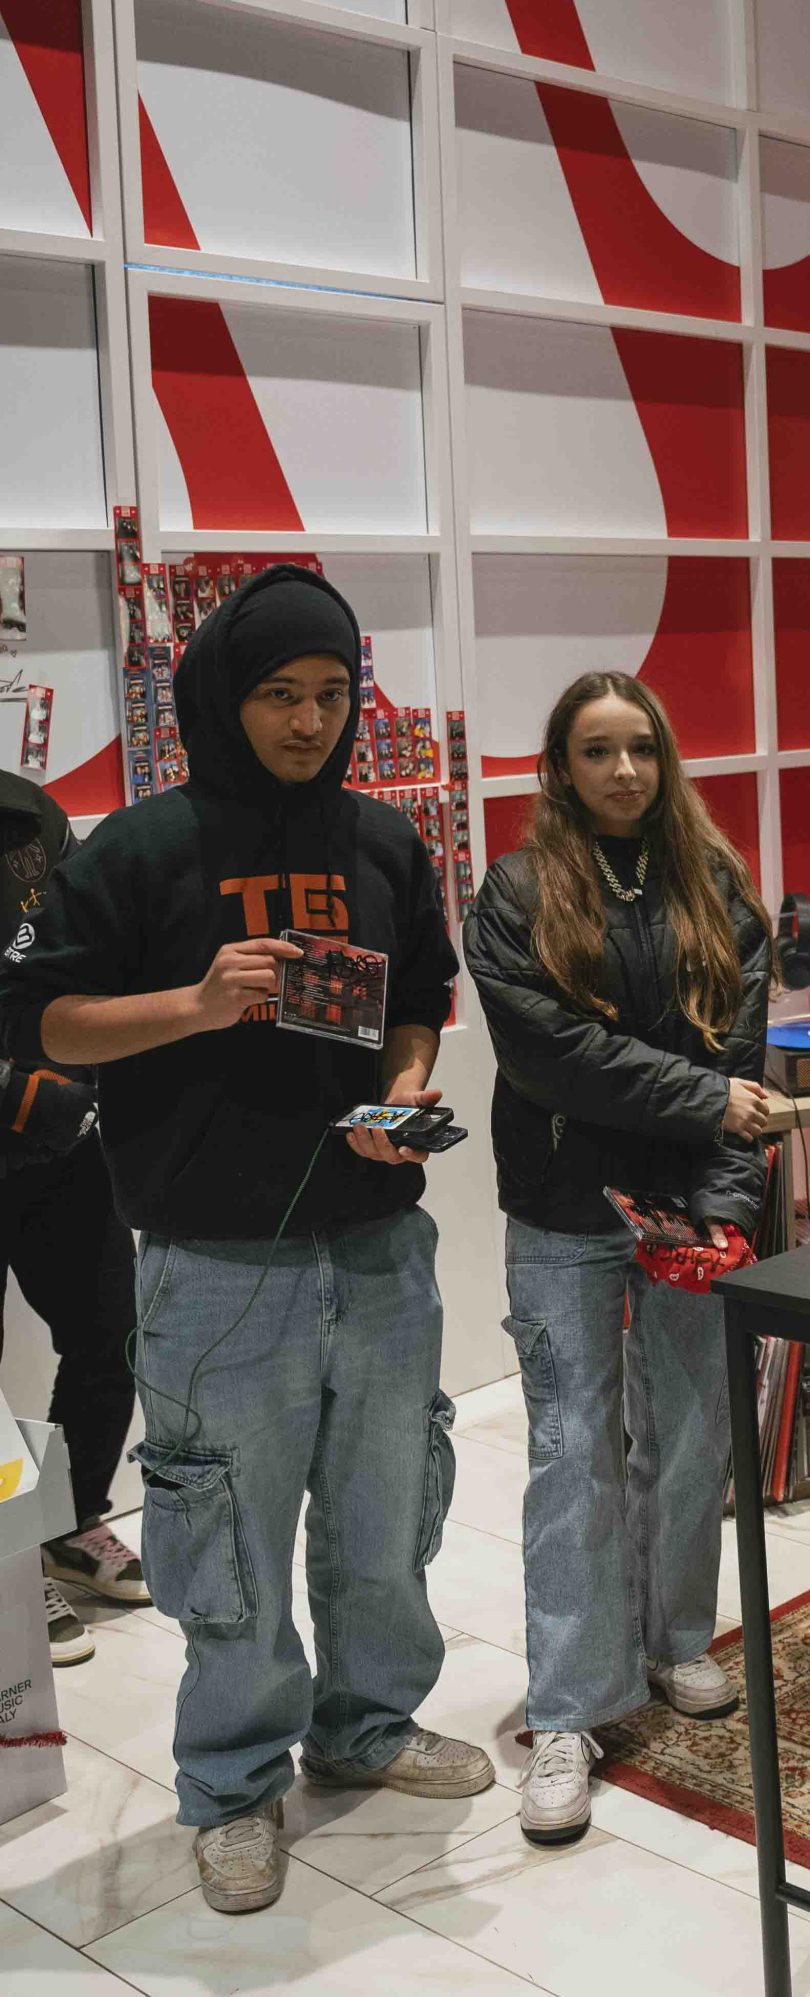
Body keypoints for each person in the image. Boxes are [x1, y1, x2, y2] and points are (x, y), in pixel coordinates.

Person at [0, 567, 487, 1916]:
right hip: (212, 1261)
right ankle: (230, 1785)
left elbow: (421, 995)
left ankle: (368, 1726)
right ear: (224, 694)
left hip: (379, 1243)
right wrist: (196, 1003)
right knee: (224, 1538)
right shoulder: (137, 849)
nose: (309, 721)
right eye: (280, 694)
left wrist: (404, 1088)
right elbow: (39, 1026)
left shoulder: (382, 842)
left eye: (331, 694)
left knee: (387, 1514)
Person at [465, 671, 773, 1846]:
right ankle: (568, 1709)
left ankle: (675, 1637)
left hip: (687, 1210)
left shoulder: (717, 887)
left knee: (692, 1438)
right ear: (562, 766)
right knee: (571, 1452)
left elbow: (742, 1071)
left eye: (640, 746)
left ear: (666, 756)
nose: (624, 771)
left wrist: (726, 1212)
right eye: (597, 751)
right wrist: (702, 1100)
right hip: (562, 1213)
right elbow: (552, 1057)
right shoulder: (516, 893)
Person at [0, 769, 141, 1666]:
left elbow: (93, 945)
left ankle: (64, 1523)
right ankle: (5, 1570)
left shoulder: (27, 811)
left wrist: (79, 1070)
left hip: (60, 1142)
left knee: (113, 1333)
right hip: (20, 1106)